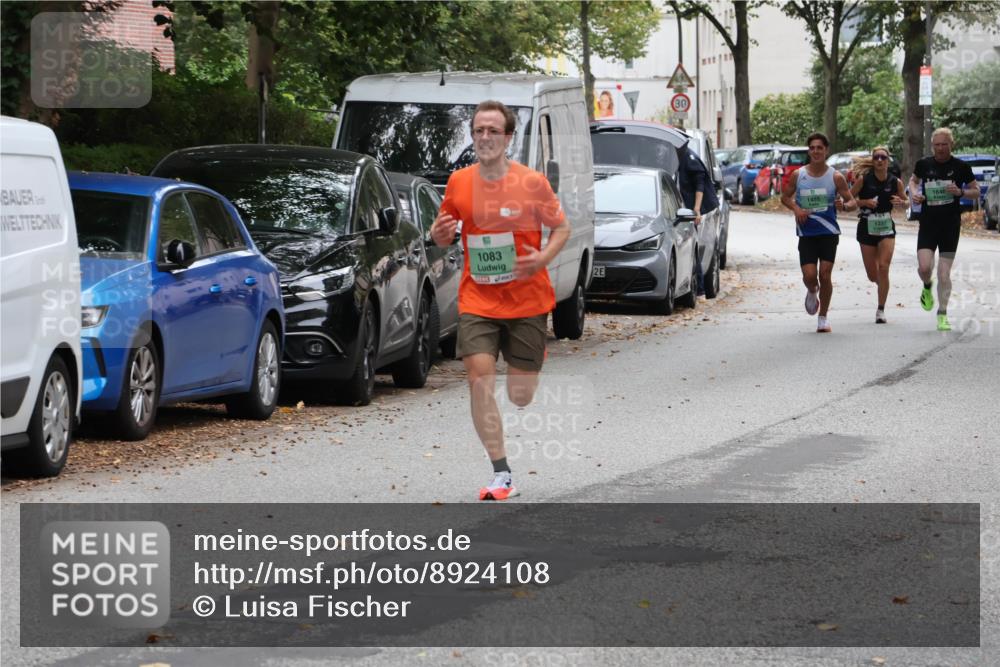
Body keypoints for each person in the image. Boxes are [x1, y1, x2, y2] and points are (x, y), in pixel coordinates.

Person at [430, 100, 570, 501]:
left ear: (509, 138)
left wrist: (542, 257)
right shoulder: (459, 182)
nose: (485, 137)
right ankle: (501, 472)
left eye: (493, 131)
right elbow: (443, 235)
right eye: (479, 131)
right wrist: (439, 234)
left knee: (520, 396)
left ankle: (527, 362)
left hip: (527, 300)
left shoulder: (532, 183)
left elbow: (561, 228)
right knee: (478, 380)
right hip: (478, 299)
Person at [780, 132, 857, 333]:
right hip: (806, 233)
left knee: (825, 274)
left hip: (829, 232)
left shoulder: (835, 177)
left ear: (826, 151)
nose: (816, 151)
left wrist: (844, 205)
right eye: (812, 148)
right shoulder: (799, 175)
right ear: (809, 150)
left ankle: (823, 318)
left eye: (819, 148)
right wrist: (796, 209)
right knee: (809, 275)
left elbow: (852, 202)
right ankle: (812, 291)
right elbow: (785, 197)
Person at [908, 127, 978, 331]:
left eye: (944, 144)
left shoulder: (961, 167)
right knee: (924, 268)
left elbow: (975, 191)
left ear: (951, 144)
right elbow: (913, 181)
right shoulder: (923, 164)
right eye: (937, 144)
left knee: (944, 275)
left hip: (950, 226)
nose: (940, 148)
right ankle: (927, 286)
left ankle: (942, 313)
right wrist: (914, 194)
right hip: (928, 224)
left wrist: (961, 191)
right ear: (932, 146)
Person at [850, 147, 907, 323]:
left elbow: (906, 203)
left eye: (883, 157)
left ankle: (880, 310)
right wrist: (863, 202)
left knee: (884, 267)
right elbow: (848, 201)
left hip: (886, 226)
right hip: (867, 225)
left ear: (888, 160)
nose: (880, 160)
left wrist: (901, 202)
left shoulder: (895, 182)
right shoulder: (863, 180)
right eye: (876, 157)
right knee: (873, 275)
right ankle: (881, 283)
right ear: (873, 161)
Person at [676, 144, 719, 295]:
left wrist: (697, 209)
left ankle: (699, 288)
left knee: (692, 247)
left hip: (688, 211)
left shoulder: (690, 158)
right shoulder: (676, 157)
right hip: (681, 209)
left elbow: (700, 184)